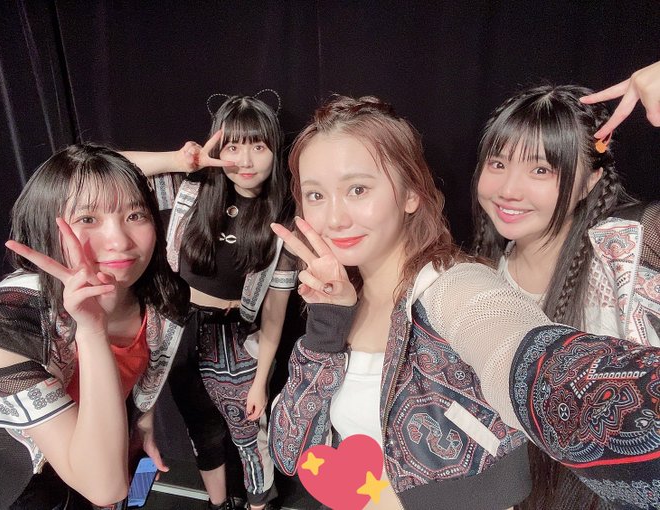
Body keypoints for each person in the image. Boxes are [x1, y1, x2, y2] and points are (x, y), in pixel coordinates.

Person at [268, 94, 660, 510]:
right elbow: (291, 452)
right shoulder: (340, 300)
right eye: (315, 195)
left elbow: (517, 356)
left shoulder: (455, 288)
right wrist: (327, 324)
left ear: (411, 194)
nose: (334, 219)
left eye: (357, 189)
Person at [471, 78, 660, 507]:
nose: (508, 189)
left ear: (590, 179)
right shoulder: (479, 274)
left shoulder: (630, 245)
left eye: (541, 170)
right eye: (498, 163)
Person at [0, 144, 188, 509]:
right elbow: (104, 486)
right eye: (88, 219)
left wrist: (142, 423)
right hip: (21, 483)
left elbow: (145, 373)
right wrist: (92, 331)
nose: (120, 242)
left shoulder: (164, 297)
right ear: (46, 226)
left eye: (135, 215)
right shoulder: (5, 322)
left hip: (101, 453)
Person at [123, 93, 297, 510]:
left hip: (235, 338)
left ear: (274, 150)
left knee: (248, 434)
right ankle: (217, 505)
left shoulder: (282, 220)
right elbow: (101, 170)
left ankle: (259, 505)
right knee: (201, 430)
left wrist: (261, 380)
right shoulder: (192, 190)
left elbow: (275, 311)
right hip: (177, 331)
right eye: (233, 146)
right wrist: (178, 160)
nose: (246, 160)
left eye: (258, 146)